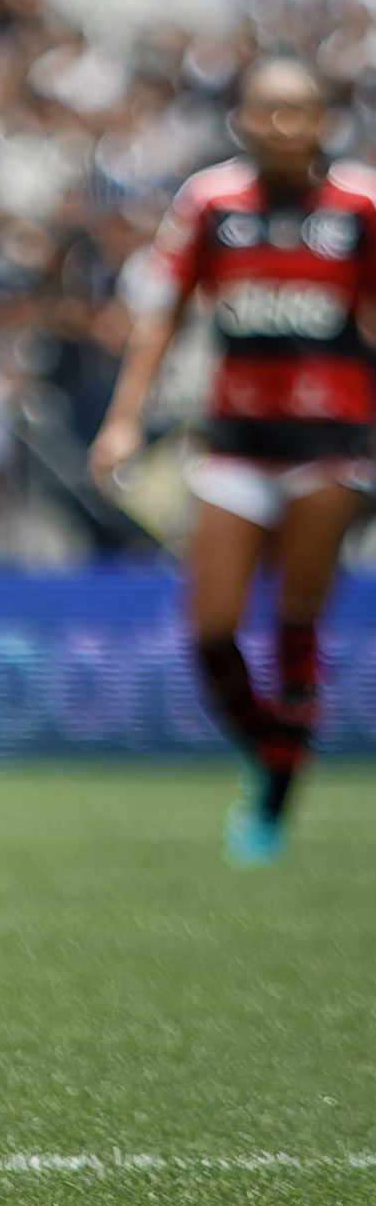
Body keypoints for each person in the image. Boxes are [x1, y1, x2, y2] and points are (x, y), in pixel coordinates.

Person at [90, 56, 374, 866]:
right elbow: (160, 319)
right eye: (269, 111)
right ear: (241, 119)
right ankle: (274, 748)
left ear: (324, 120)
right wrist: (121, 420)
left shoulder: (360, 202)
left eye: (301, 111)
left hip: (332, 446)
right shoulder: (211, 202)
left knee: (294, 620)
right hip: (236, 443)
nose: (285, 126)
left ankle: (275, 796)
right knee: (210, 629)